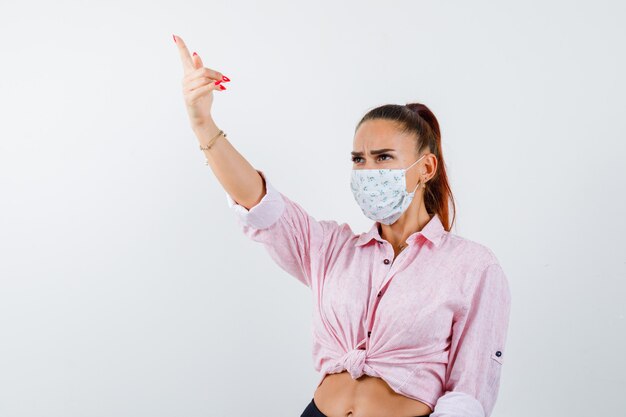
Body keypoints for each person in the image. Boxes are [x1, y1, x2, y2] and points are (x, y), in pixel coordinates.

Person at [173, 34, 512, 417]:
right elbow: (259, 202)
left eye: (383, 157)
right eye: (359, 159)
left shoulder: (474, 267)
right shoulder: (331, 248)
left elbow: (471, 390)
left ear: (426, 169)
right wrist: (202, 123)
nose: (368, 171)